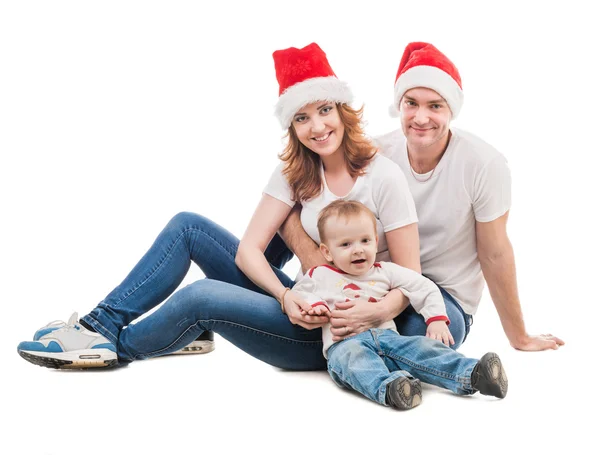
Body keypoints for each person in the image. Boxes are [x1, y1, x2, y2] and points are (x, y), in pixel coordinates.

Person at [17, 43, 420, 371]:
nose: (317, 127)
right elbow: (248, 251)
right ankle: (100, 325)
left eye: (325, 110)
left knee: (202, 296)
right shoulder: (296, 172)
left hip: (341, 334)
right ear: (292, 126)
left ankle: (115, 348)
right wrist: (286, 296)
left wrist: (370, 313)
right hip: (306, 304)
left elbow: (411, 277)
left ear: (342, 110)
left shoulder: (382, 176)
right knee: (188, 226)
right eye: (302, 117)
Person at [277, 42, 564, 352]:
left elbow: (495, 253)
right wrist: (313, 263)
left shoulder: (484, 165)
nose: (421, 117)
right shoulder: (376, 153)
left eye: (435, 106)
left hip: (443, 295)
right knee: (361, 328)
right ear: (399, 105)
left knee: (420, 338)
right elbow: (302, 202)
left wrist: (518, 336)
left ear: (451, 109)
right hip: (378, 284)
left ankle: (351, 351)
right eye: (411, 103)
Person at [293, 199, 507, 409]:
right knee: (354, 361)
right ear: (327, 251)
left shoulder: (385, 271)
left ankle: (474, 374)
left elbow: (423, 286)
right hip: (345, 343)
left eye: (365, 241)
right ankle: (392, 388)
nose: (358, 250)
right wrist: (315, 307)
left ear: (376, 241)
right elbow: (300, 293)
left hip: (389, 338)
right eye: (346, 244)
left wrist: (437, 319)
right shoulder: (320, 274)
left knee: (422, 347)